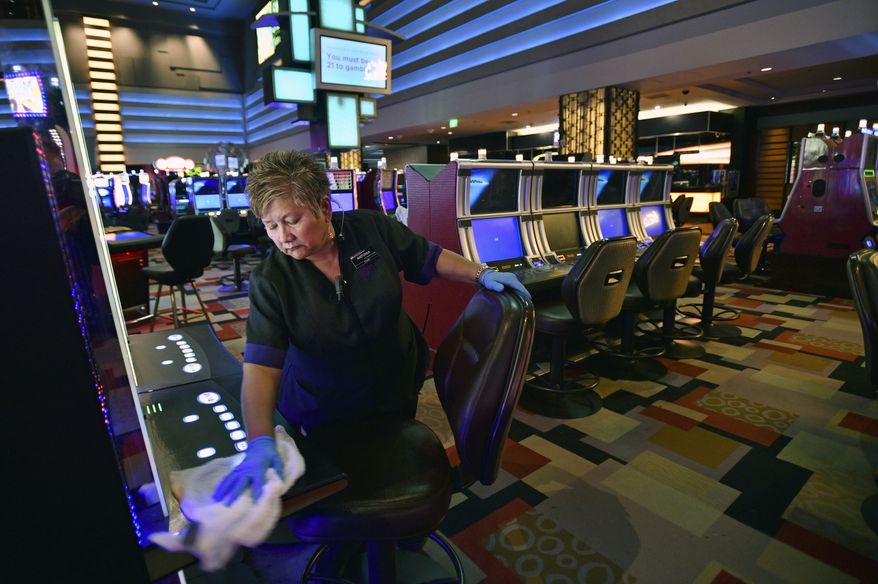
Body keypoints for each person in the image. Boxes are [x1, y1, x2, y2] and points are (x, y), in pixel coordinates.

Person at [213, 150, 529, 504]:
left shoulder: (371, 229)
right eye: (272, 226)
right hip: (325, 408)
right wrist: (259, 439)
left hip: (397, 383)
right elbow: (260, 367)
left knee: (396, 465)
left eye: (292, 220)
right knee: (347, 489)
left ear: (324, 207)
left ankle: (399, 533)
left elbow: (429, 256)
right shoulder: (272, 280)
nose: (283, 236)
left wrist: (480, 273)